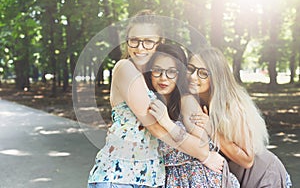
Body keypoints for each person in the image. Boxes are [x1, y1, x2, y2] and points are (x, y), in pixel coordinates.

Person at [87, 10, 224, 188]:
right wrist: (203, 155)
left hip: (150, 179)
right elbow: (156, 128)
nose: (140, 47)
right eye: (134, 40)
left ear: (160, 43)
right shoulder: (125, 68)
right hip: (119, 177)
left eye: (148, 41)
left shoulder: (151, 78)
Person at [187, 47, 292, 188]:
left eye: (202, 73)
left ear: (217, 77)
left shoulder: (232, 106)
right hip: (235, 178)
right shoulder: (193, 101)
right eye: (191, 69)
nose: (193, 76)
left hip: (263, 176)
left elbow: (247, 160)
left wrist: (212, 130)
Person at [145, 43, 240, 187]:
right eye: (157, 71)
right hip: (166, 178)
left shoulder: (186, 101)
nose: (163, 78)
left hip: (198, 178)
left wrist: (166, 122)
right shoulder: (149, 101)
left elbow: (202, 145)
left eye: (171, 72)